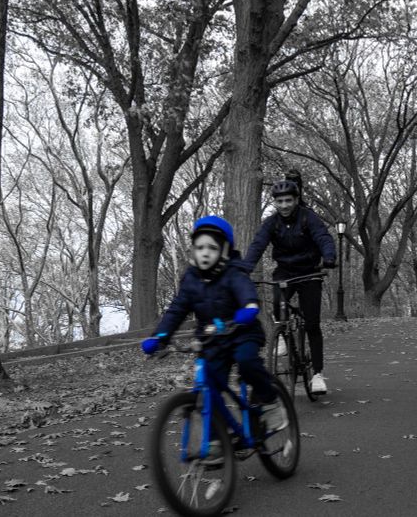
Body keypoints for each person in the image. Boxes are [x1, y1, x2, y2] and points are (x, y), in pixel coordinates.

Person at [140, 215, 288, 436]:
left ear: (224, 250)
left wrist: (248, 308)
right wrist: (160, 337)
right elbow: (177, 310)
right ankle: (217, 440)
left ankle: (269, 401)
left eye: (212, 247)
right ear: (193, 251)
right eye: (200, 247)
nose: (205, 252)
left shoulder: (234, 272)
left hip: (242, 333)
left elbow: (247, 294)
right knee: (210, 387)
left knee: (247, 362)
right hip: (212, 341)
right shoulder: (190, 279)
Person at [244, 179, 336, 395]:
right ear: (274, 203)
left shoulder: (308, 217)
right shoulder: (271, 223)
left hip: (310, 271)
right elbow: (258, 244)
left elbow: (323, 237)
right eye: (279, 201)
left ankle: (317, 375)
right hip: (285, 270)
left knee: (312, 324)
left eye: (288, 200)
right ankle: (283, 334)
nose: (284, 205)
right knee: (277, 298)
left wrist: (329, 256)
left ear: (295, 200)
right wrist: (244, 268)